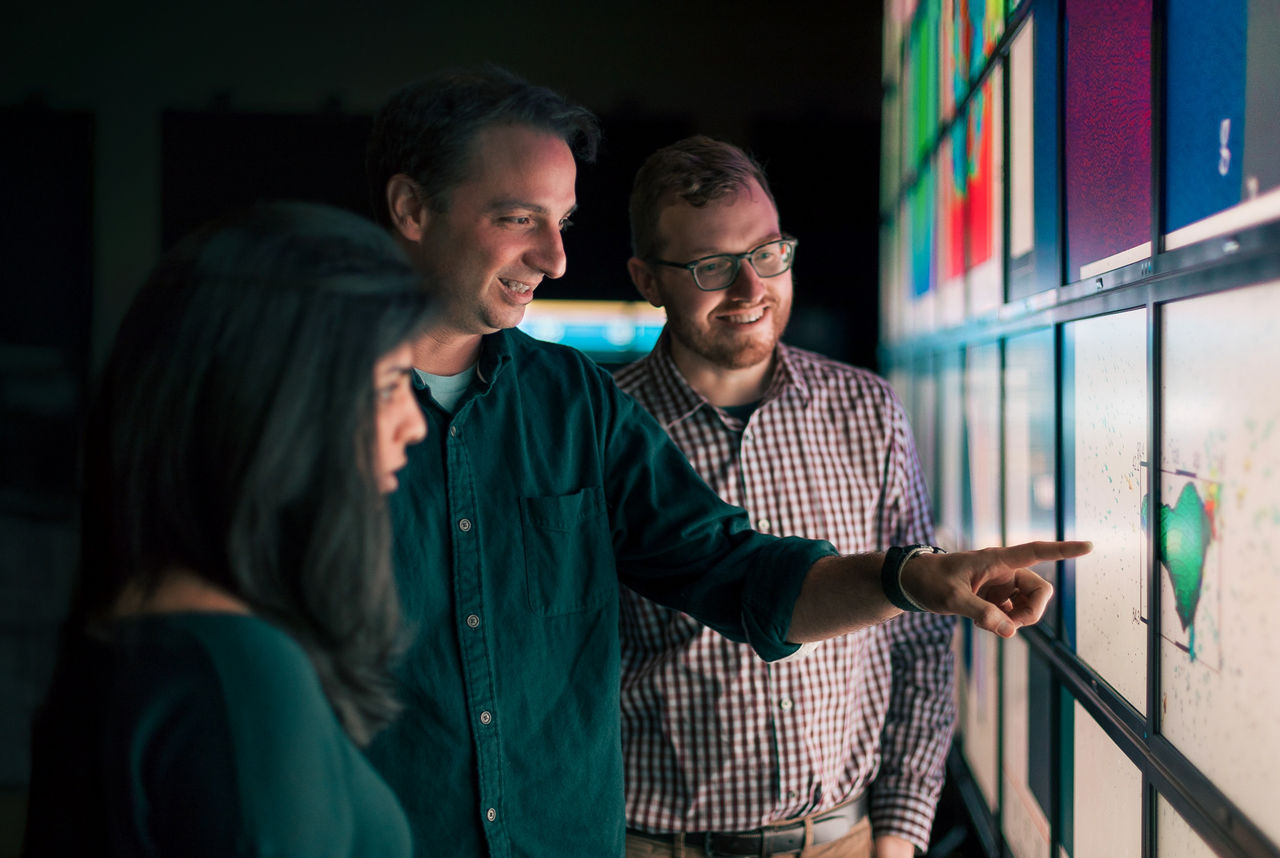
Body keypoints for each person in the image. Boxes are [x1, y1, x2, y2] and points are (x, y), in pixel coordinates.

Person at [364, 66, 1088, 858]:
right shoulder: (294, 400)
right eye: (517, 217)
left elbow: (733, 569)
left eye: (564, 220)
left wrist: (910, 578)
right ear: (411, 208)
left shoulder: (574, 403)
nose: (557, 258)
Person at [22, 202, 432, 857]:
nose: (414, 424)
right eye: (387, 386)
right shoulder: (238, 674)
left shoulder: (146, 629)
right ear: (281, 406)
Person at [614, 135, 951, 858]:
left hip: (844, 841)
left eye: (767, 254)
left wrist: (899, 834)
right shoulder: (603, 431)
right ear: (648, 279)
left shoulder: (867, 410)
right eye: (712, 267)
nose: (751, 289)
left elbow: (921, 640)